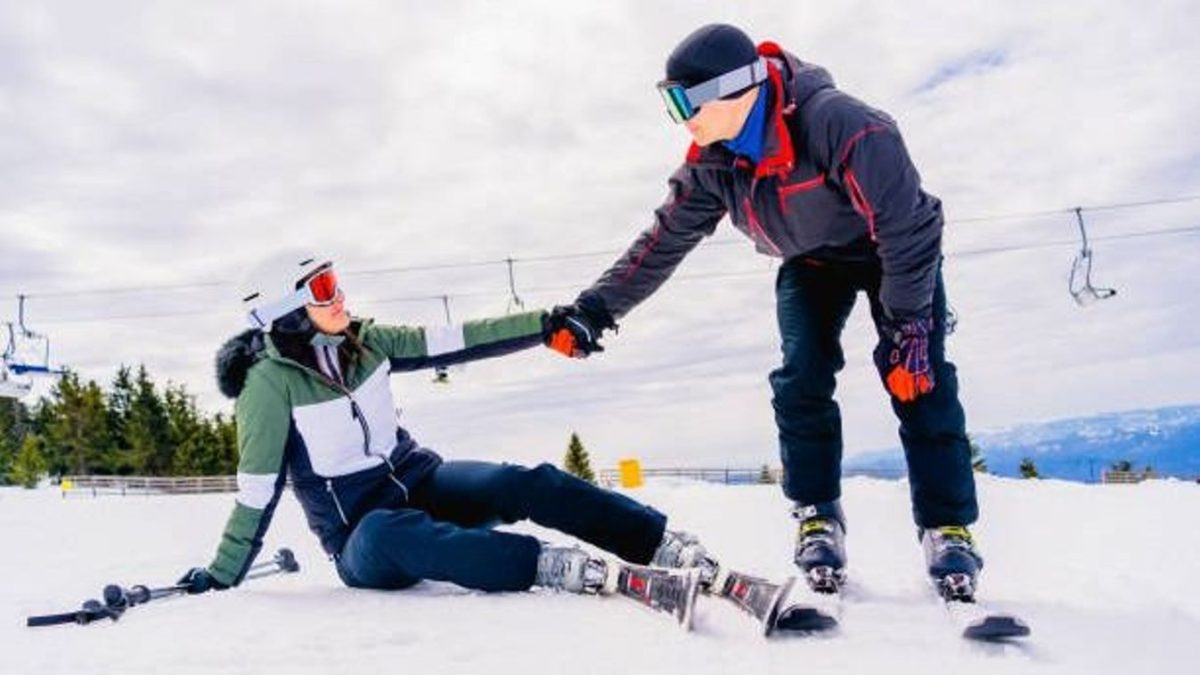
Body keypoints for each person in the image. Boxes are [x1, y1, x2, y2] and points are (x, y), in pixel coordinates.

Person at [544, 24, 983, 596]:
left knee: (915, 380)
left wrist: (908, 328)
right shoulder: (713, 164)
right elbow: (662, 241)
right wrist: (595, 309)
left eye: (685, 100)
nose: (681, 117)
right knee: (801, 376)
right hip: (811, 262)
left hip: (895, 253)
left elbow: (909, 224)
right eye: (670, 102)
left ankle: (947, 528)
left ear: (736, 89)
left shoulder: (840, 123)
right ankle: (817, 514)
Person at [178, 250, 715, 599]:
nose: (339, 295)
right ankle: (550, 567)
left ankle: (656, 541)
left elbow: (457, 338)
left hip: (421, 480)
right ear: (287, 310)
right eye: (322, 289)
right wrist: (223, 572)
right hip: (361, 537)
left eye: (335, 281)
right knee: (393, 529)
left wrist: (544, 324)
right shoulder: (267, 387)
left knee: (520, 482)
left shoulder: (367, 343)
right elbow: (255, 492)